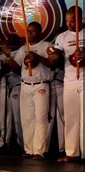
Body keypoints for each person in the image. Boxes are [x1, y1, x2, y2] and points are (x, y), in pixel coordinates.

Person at [8, 22, 53, 160]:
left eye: (33, 31)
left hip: (41, 85)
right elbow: (16, 67)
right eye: (28, 31)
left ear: (40, 32)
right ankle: (29, 149)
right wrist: (9, 58)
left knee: (40, 118)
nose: (30, 34)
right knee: (27, 119)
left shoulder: (47, 45)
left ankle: (39, 151)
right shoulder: (23, 48)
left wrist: (37, 57)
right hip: (25, 85)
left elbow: (53, 62)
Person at [49, 6, 84, 162]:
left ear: (80, 19)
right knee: (71, 118)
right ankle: (72, 153)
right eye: (67, 21)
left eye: (73, 21)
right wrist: (53, 54)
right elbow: (54, 59)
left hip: (84, 80)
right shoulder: (62, 37)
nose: (69, 24)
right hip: (69, 80)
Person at [0, 34, 24, 151]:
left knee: (18, 118)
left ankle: (22, 143)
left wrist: (9, 58)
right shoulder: (0, 56)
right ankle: (3, 142)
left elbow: (19, 70)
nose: (10, 44)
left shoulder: (22, 52)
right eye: (9, 41)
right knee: (3, 117)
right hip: (4, 88)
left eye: (13, 41)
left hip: (18, 87)